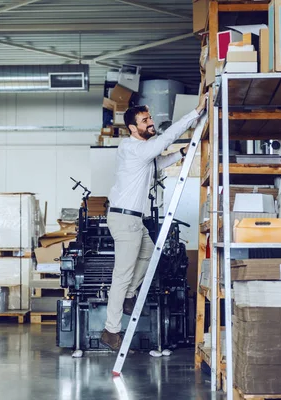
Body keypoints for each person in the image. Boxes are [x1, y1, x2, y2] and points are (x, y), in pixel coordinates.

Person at [100, 96, 207, 351]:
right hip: (124, 218)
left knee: (148, 253)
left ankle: (128, 297)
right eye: (144, 120)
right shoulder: (132, 148)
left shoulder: (142, 154)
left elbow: (157, 164)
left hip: (134, 219)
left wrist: (182, 153)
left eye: (150, 119)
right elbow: (163, 141)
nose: (150, 123)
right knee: (122, 275)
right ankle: (111, 330)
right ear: (132, 128)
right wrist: (195, 114)